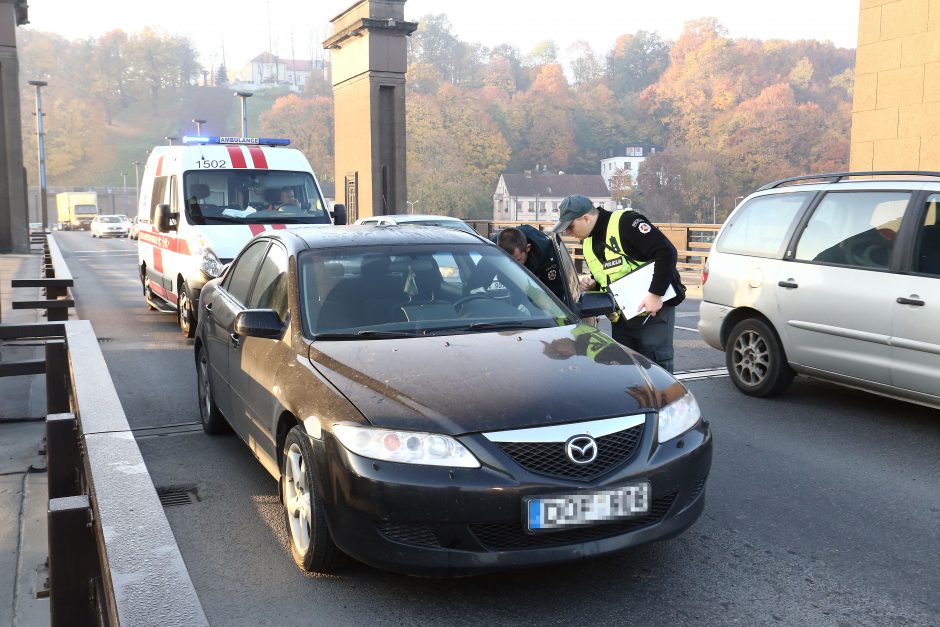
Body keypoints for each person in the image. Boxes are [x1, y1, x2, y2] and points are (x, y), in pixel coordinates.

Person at [551, 194, 684, 373]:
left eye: (570, 226)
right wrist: (593, 285)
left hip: (651, 312)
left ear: (586, 218)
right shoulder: (588, 243)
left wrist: (655, 294)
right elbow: (608, 275)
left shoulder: (626, 222)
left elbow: (666, 253)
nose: (568, 232)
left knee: (656, 369)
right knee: (626, 371)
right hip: (621, 318)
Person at [496, 225, 567, 302]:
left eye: (518, 260)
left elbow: (555, 292)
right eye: (509, 262)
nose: (514, 266)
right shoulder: (490, 247)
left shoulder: (546, 252)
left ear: (527, 248)